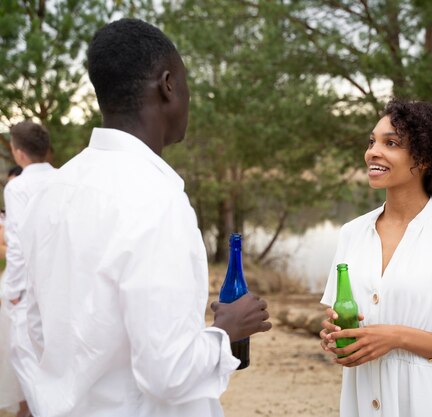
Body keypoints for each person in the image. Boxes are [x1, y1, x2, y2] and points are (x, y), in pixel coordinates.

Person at [16, 18, 271, 417]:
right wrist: (227, 331)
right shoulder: (155, 201)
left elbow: (35, 331)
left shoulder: (51, 192)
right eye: (186, 85)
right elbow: (169, 374)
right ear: (168, 84)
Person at [319, 99, 432, 417]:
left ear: (424, 159)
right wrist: (332, 335)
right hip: (359, 401)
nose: (373, 152)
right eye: (372, 141)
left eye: (391, 143)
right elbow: (337, 316)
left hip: (426, 403)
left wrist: (398, 337)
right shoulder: (352, 233)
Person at [3, 121, 57, 417]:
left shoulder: (19, 187)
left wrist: (12, 291)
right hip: (66, 285)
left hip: (30, 288)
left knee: (28, 363)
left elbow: (18, 243)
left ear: (19, 153)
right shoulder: (65, 178)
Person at [0, 166, 29, 417]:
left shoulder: (19, 192)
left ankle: (26, 408)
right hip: (15, 281)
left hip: (18, 286)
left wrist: (12, 290)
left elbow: (14, 248)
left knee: (17, 350)